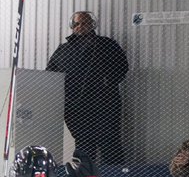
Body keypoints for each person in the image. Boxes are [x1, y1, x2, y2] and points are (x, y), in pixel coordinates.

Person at [45, 11, 130, 165]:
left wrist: (108, 82)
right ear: (72, 26)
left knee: (109, 142)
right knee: (83, 144)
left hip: (104, 105)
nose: (80, 27)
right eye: (77, 24)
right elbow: (51, 74)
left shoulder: (106, 44)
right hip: (76, 107)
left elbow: (122, 66)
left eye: (84, 23)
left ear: (92, 24)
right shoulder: (63, 50)